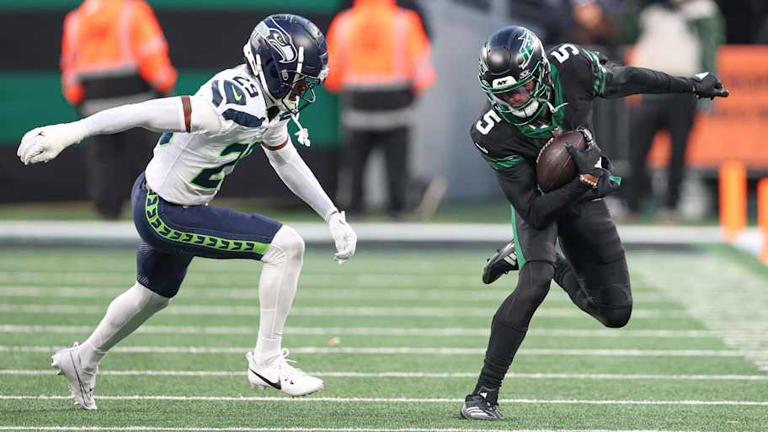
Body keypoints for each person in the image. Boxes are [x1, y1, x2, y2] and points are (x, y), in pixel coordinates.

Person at [18, 14, 357, 410]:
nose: (303, 91)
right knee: (286, 246)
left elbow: (285, 159)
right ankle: (266, 361)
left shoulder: (267, 102)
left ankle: (83, 359)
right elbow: (143, 112)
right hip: (166, 209)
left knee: (151, 296)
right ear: (272, 69)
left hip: (170, 200)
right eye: (299, 81)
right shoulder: (229, 104)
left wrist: (332, 214)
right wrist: (70, 132)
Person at [462, 25, 728, 420]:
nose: (514, 100)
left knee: (615, 312)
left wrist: (689, 84)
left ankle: (545, 263)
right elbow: (533, 211)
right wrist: (585, 180)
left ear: (539, 73)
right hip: (539, 200)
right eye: (502, 94)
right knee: (533, 283)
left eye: (518, 89)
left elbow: (622, 79)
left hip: (583, 194)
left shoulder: (571, 67)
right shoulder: (492, 132)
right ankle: (482, 396)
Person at [61, 0, 177, 219]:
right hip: (134, 100)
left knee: (103, 159)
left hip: (94, 103)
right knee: (143, 157)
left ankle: (108, 213)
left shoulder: (77, 18)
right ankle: (152, 211)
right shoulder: (132, 11)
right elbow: (151, 51)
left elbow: (69, 63)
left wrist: (75, 96)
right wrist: (164, 84)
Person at [325, 0, 435, 218]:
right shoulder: (405, 21)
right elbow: (422, 71)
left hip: (357, 107)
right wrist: (415, 92)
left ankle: (353, 214)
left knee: (354, 170)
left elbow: (332, 77)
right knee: (397, 169)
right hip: (397, 107)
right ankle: (398, 213)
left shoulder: (344, 22)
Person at [626, 0, 724, 219]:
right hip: (650, 86)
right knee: (638, 149)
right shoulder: (650, 9)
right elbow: (626, 32)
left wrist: (709, 87)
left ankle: (671, 205)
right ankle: (633, 203)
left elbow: (710, 46)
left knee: (678, 151)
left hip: (683, 86)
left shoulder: (702, 9)